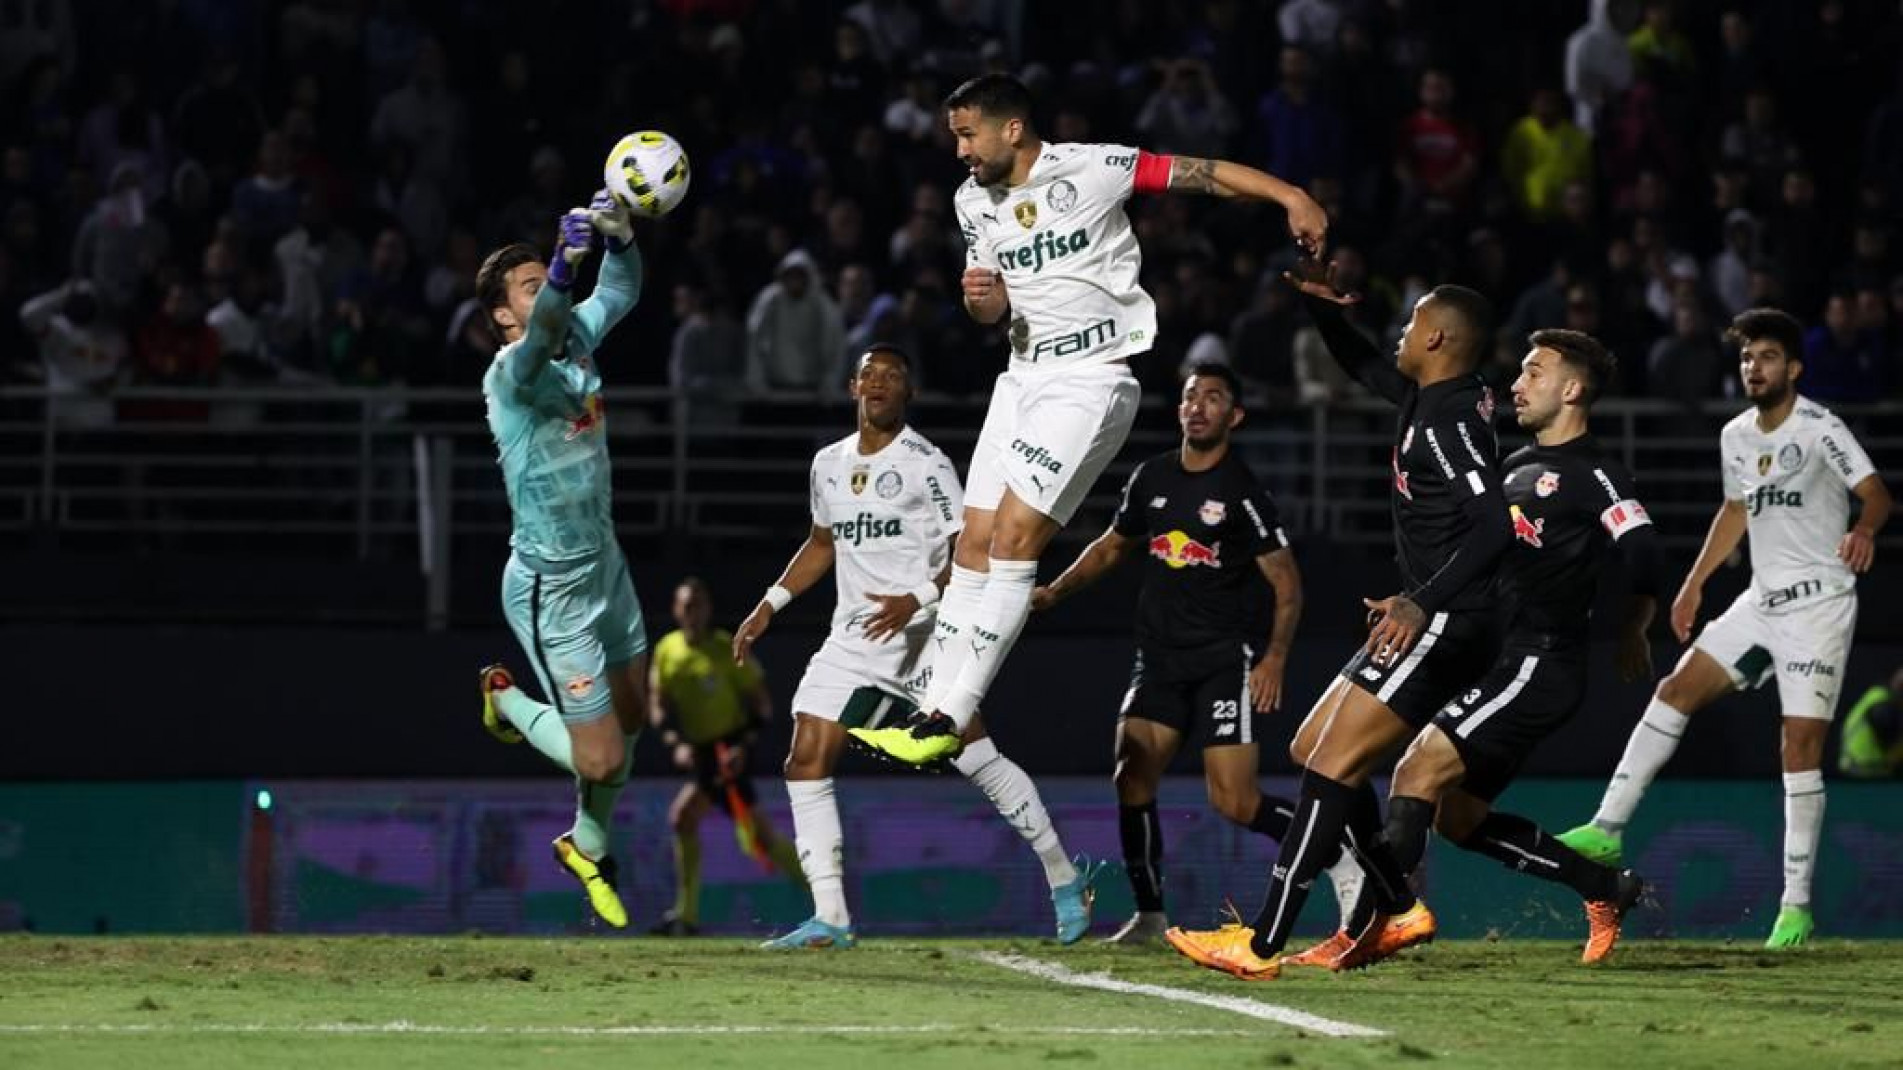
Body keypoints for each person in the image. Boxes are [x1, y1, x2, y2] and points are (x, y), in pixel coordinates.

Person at [848, 72, 1327, 768]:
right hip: (1020, 379)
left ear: (1011, 128)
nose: (958, 151)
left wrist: (1290, 194)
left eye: (965, 134)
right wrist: (982, 298)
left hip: (1090, 380)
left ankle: (948, 715)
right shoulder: (971, 201)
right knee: (972, 545)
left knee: (1014, 540)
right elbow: (991, 311)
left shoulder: (1092, 168)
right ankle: (928, 704)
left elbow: (1205, 176)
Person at [1167, 258, 1512, 980]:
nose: (1401, 329)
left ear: (1441, 339)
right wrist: (1324, 309)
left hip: (1446, 620)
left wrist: (1420, 601)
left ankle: (1261, 942)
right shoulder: (1432, 396)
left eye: (1414, 321)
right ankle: (1398, 904)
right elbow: (1361, 365)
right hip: (1427, 612)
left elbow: (1492, 527)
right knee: (1308, 749)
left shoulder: (1449, 418)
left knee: (1331, 764)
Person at [734, 345, 1094, 949]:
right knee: (805, 756)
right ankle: (832, 919)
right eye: (869, 375)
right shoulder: (827, 464)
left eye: (892, 377)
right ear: (852, 387)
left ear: (908, 394)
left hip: (924, 635)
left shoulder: (929, 464)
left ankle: (1064, 879)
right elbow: (821, 543)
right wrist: (770, 604)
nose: (878, 384)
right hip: (852, 637)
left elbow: (971, 556)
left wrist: (918, 597)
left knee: (976, 759)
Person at [1560, 308, 1892, 948]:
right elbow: (1735, 511)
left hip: (1819, 607)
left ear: (1792, 368)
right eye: (1746, 359)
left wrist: (1864, 528)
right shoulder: (1736, 435)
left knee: (1797, 750)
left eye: (1765, 358)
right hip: (1760, 599)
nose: (1753, 368)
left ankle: (1795, 907)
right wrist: (1692, 585)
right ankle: (1608, 826)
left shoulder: (1822, 427)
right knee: (1674, 690)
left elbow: (1876, 491)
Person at [1341, 330, 1659, 967]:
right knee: (1457, 818)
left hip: (1541, 661)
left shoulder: (1596, 474)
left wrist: (1634, 625)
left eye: (1534, 373)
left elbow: (1643, 549)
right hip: (1507, 661)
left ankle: (1365, 933)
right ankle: (1604, 887)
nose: (1517, 384)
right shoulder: (1514, 468)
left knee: (1414, 772)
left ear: (1571, 390)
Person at [1035, 362, 1365, 946]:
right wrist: (1055, 591)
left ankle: (1342, 860)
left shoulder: (1242, 492)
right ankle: (1151, 915)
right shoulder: (1151, 477)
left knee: (1235, 802)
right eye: (1191, 396)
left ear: (1233, 416)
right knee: (1131, 774)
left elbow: (1287, 584)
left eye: (1213, 397)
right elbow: (1112, 547)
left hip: (1219, 661)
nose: (1199, 406)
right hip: (1158, 660)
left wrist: (1274, 659)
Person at [475, 191, 648, 929]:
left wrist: (620, 238)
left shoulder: (572, 335)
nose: (540, 293)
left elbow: (619, 290)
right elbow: (550, 319)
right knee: (602, 760)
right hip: (553, 590)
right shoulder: (512, 373)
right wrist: (561, 265)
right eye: (526, 286)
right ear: (503, 317)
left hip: (604, 563)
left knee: (636, 717)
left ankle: (587, 843)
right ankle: (504, 697)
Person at [648, 578, 805, 936]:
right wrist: (675, 743)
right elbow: (658, 705)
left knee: (687, 819)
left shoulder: (727, 647)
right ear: (676, 610)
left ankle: (686, 919)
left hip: (730, 750)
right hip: (702, 753)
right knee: (751, 834)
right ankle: (686, 918)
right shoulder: (667, 651)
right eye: (687, 605)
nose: (693, 612)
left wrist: (742, 747)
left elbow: (762, 706)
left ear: (709, 610)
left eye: (699, 604)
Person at [1839, 668, 1903, 778]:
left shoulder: (1877, 696)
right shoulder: (1882, 705)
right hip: (1864, 769)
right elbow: (1890, 746)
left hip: (1861, 767)